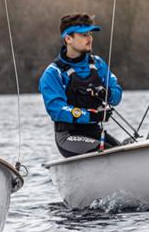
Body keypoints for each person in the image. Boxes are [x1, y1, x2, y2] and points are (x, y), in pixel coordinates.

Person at [39, 13, 123, 158]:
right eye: (84, 35)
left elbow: (117, 95)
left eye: (90, 34)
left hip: (96, 133)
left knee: (124, 151)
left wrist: (108, 93)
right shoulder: (53, 73)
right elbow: (56, 109)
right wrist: (89, 115)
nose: (90, 38)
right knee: (109, 153)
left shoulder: (98, 64)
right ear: (68, 38)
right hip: (68, 137)